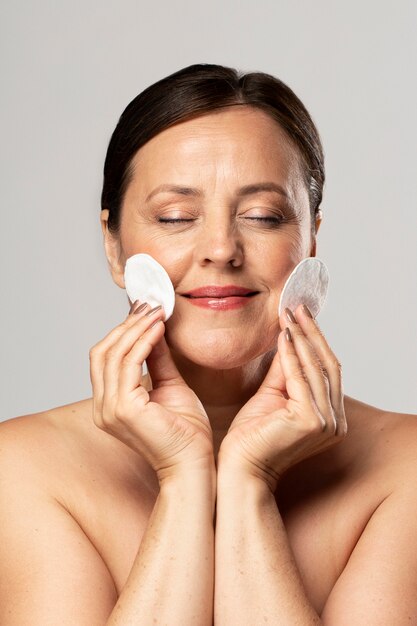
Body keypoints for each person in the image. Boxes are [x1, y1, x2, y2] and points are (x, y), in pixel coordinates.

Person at [0, 63, 416, 626]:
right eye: (176, 216)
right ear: (114, 247)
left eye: (263, 216)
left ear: (313, 238)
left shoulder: (404, 468)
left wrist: (250, 483)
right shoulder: (21, 468)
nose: (221, 248)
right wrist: (183, 476)